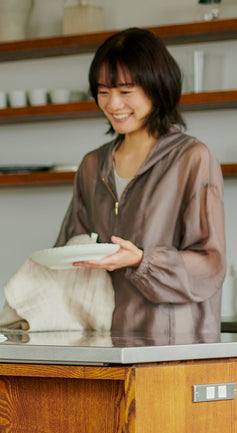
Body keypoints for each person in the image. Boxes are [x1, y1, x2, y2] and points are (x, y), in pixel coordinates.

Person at [55, 27, 226, 342]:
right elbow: (72, 247)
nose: (113, 104)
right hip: (102, 341)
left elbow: (210, 264)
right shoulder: (92, 165)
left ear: (156, 87)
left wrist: (141, 260)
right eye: (103, 91)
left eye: (126, 91)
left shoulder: (191, 158)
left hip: (174, 341)